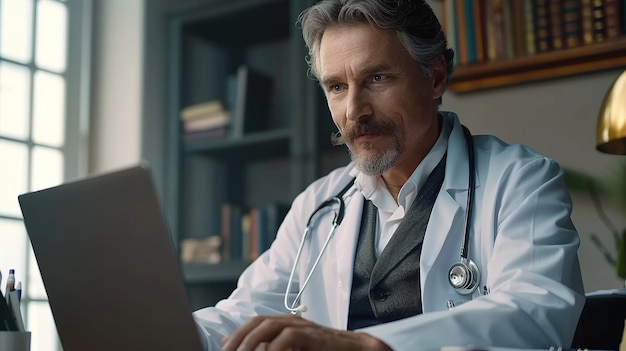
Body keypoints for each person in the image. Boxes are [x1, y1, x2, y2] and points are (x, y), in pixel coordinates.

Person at [193, 0, 585, 350]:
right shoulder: (318, 205)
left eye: (376, 79)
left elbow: (537, 313)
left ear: (434, 78)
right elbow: (240, 316)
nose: (353, 111)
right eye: (336, 87)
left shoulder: (520, 180)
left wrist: (368, 345)